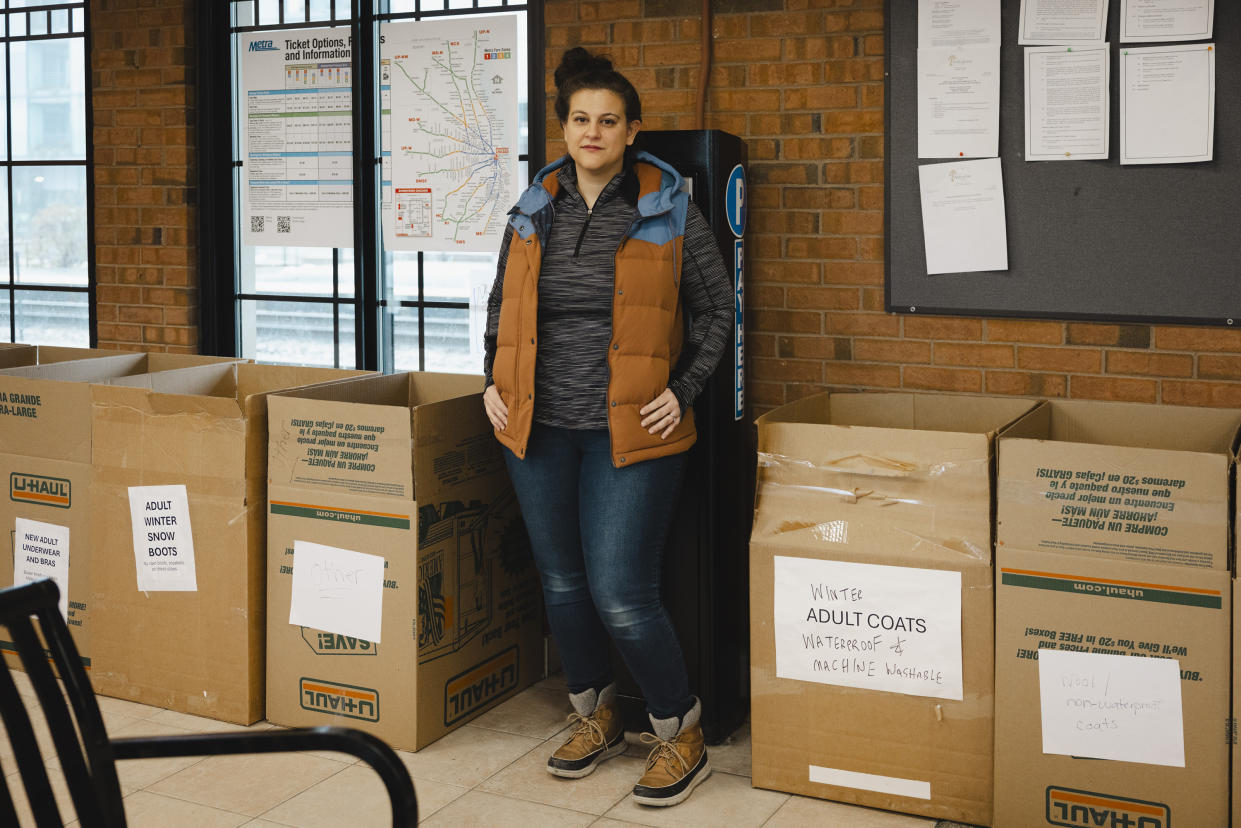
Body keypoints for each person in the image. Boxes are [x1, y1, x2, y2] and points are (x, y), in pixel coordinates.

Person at [481, 47, 732, 807]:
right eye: (580, 119)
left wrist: (683, 390)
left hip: (633, 431)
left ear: (632, 132)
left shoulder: (666, 204)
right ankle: (592, 717)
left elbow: (718, 311)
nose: (592, 132)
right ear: (564, 128)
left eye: (608, 121)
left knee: (621, 590)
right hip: (537, 428)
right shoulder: (533, 205)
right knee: (561, 585)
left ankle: (677, 725)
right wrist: (490, 380)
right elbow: (500, 305)